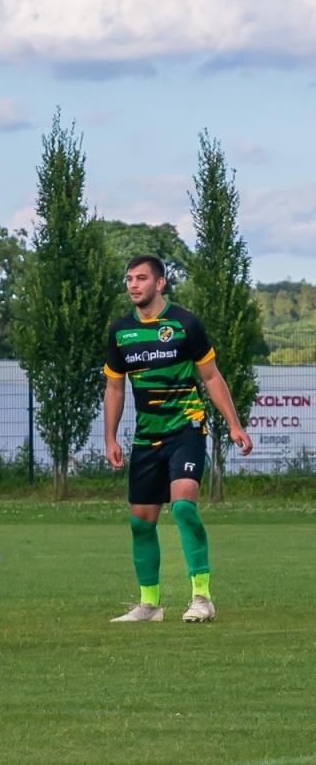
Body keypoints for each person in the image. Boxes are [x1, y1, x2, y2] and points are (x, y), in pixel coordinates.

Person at [103, 254, 252, 624]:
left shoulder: (185, 324)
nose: (133, 285)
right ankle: (149, 605)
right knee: (141, 521)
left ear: (160, 283)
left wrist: (234, 424)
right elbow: (114, 388)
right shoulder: (122, 332)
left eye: (140, 278)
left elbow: (212, 376)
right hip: (147, 437)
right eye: (128, 279)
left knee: (183, 507)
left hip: (186, 427)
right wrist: (109, 437)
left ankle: (202, 598)